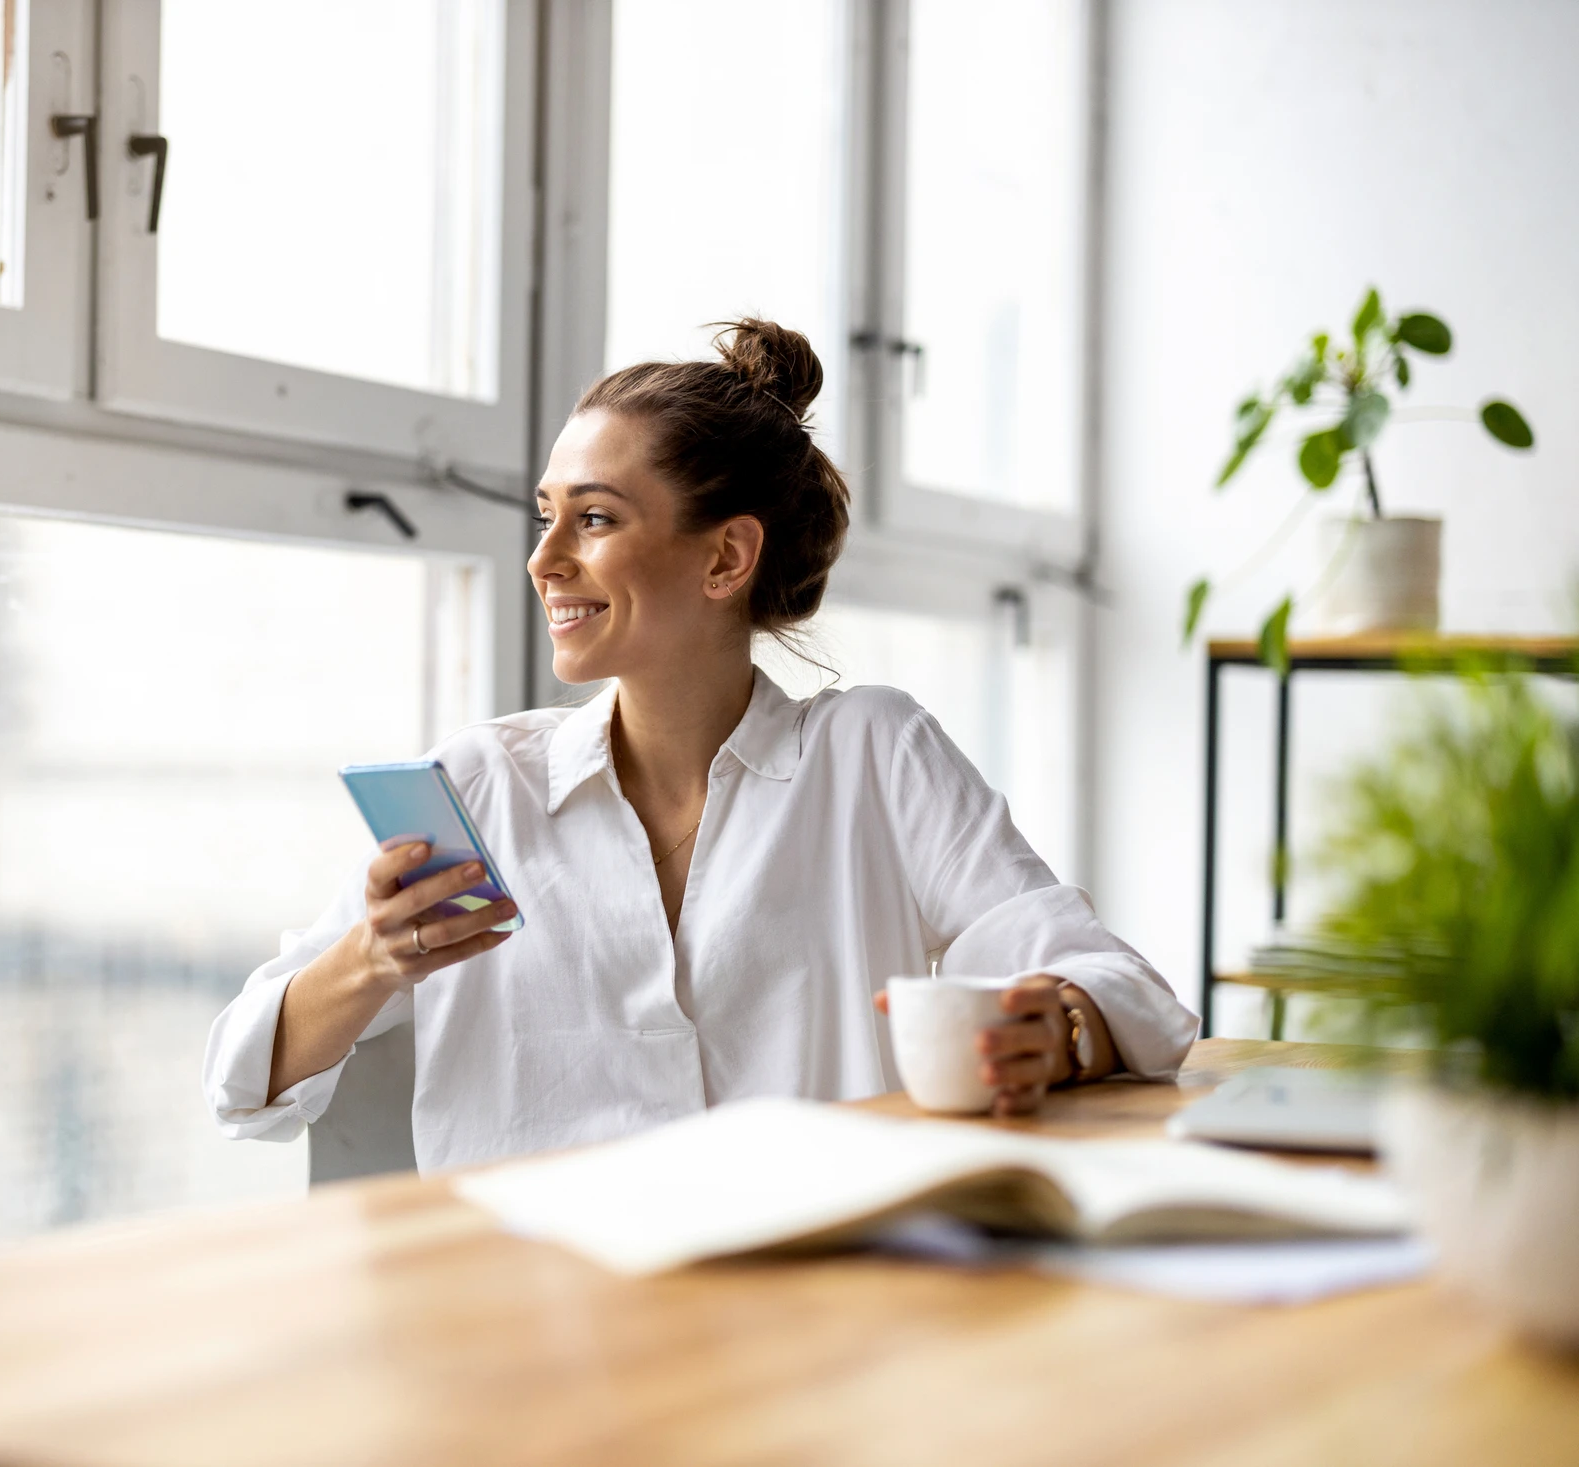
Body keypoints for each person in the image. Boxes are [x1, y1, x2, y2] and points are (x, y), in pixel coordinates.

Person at [204, 319, 1198, 1173]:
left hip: (808, 1303)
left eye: (593, 519)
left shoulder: (871, 756)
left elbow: (1124, 992)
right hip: (530, 1324)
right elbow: (241, 1076)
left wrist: (1056, 1032)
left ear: (726, 555)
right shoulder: (480, 789)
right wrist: (372, 961)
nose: (544, 560)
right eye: (546, 517)